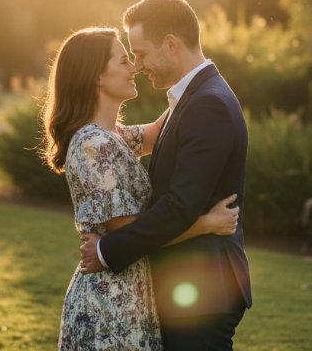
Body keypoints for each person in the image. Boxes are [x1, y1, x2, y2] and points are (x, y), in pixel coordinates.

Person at [42, 26, 240, 350]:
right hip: (109, 305)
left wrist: (197, 77)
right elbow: (134, 232)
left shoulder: (112, 136)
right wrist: (205, 224)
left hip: (132, 296)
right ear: (97, 77)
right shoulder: (93, 145)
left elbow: (164, 126)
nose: (134, 67)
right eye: (123, 61)